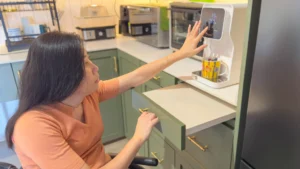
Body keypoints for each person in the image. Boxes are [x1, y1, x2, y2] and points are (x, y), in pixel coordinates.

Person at [5, 21, 208, 169]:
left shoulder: (85, 95)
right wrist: (137, 138)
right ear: (64, 74)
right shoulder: (34, 126)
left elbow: (136, 77)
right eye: (85, 63)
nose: (95, 68)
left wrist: (181, 54)